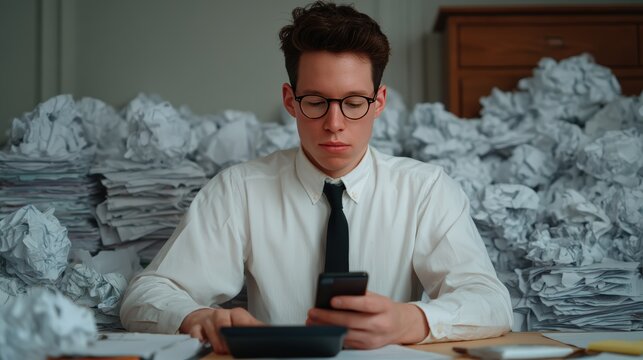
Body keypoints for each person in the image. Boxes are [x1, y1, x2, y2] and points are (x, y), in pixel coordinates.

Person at [120, 1, 513, 354]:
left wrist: (409, 321)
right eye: (316, 102)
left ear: (379, 103)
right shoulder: (239, 189)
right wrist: (197, 319)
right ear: (291, 101)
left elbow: (491, 302)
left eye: (354, 102)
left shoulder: (426, 190)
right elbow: (146, 294)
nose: (334, 124)